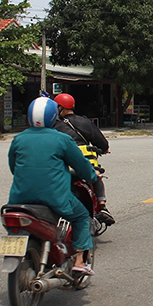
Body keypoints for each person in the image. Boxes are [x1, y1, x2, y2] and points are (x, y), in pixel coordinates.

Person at [8, 97, 99, 274]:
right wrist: (93, 175)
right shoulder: (62, 140)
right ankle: (80, 262)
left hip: (19, 199)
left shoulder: (18, 139)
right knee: (81, 216)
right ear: (54, 117)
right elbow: (81, 166)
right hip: (55, 198)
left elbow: (14, 167)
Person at [53, 93, 115, 225]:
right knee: (96, 176)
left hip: (64, 167)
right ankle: (102, 206)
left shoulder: (54, 126)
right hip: (87, 165)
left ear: (59, 108)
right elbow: (103, 144)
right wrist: (103, 150)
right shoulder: (85, 122)